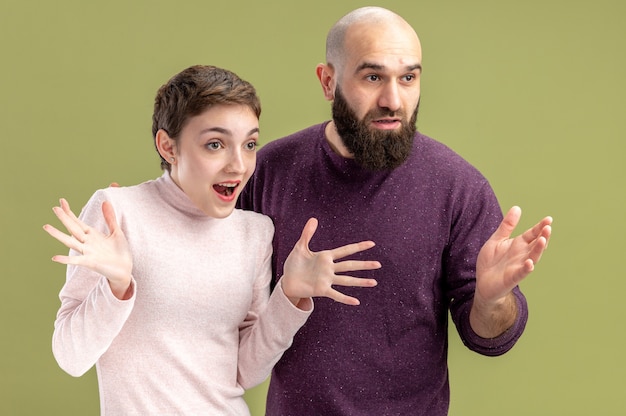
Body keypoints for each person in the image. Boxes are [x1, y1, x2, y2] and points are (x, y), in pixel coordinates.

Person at [238, 7, 553, 415]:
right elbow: (208, 297)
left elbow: (489, 336)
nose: (393, 100)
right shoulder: (266, 173)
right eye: (373, 77)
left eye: (408, 78)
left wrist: (492, 299)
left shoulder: (458, 187)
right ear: (328, 81)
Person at [43, 65, 380, 415]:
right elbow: (71, 357)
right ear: (168, 146)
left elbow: (243, 373)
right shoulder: (118, 212)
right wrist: (116, 287)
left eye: (250, 144)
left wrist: (289, 295)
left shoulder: (255, 233)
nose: (238, 165)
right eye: (215, 144)